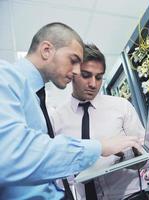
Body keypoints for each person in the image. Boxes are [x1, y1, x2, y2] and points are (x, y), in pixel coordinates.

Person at [0, 22, 141, 199]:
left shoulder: (36, 101)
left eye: (99, 77)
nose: (75, 71)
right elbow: (12, 155)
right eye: (74, 61)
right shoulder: (5, 76)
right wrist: (99, 147)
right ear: (46, 50)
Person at [50, 43, 147, 200]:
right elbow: (56, 172)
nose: (93, 84)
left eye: (99, 77)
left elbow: (145, 155)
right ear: (72, 73)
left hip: (131, 196)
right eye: (86, 75)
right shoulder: (56, 119)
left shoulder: (121, 107)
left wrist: (137, 159)